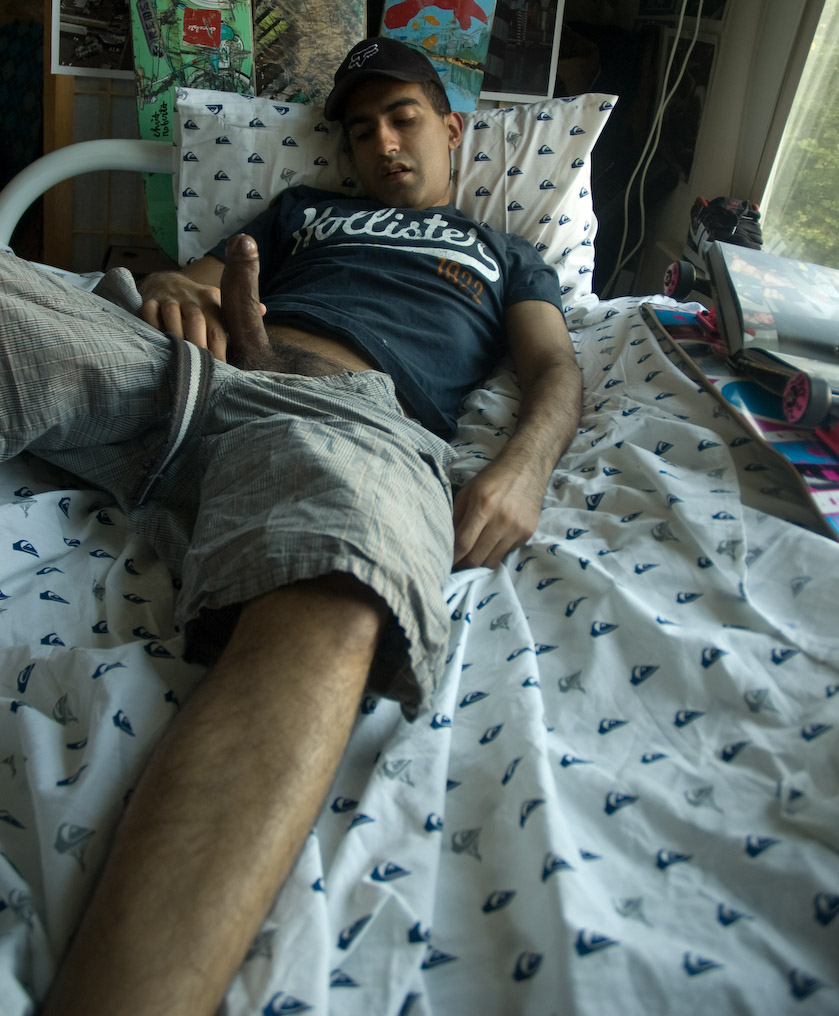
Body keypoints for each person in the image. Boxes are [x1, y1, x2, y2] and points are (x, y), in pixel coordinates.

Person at [17, 36, 581, 1016]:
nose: (381, 142)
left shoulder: (502, 253)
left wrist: (520, 468)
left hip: (343, 415)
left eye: (402, 117)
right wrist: (180, 293)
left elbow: (556, 371)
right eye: (360, 130)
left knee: (339, 590)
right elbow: (189, 279)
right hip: (183, 372)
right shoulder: (300, 211)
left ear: (451, 129)